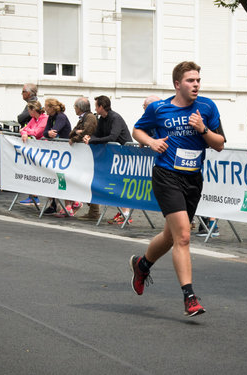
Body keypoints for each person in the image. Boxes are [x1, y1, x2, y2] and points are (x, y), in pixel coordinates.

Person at [130, 61, 225, 317]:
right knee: (183, 236)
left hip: (193, 179)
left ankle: (142, 265)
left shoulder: (206, 107)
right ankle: (189, 297)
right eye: (190, 81)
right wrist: (151, 141)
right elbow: (137, 129)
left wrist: (203, 129)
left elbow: (219, 144)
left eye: (197, 81)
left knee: (171, 236)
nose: (195, 85)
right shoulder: (158, 108)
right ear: (177, 84)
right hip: (166, 175)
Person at [83, 95, 133, 225]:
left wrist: (93, 140)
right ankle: (123, 212)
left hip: (125, 155)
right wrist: (89, 137)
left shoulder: (115, 117)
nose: (95, 108)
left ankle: (126, 213)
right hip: (114, 155)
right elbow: (98, 134)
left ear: (101, 107)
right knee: (115, 183)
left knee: (121, 183)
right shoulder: (102, 118)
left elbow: (113, 136)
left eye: (96, 106)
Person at [41, 98, 75, 216]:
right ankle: (55, 203)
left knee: (63, 177)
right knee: (55, 176)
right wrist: (48, 133)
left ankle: (71, 203)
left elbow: (55, 131)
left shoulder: (61, 117)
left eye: (46, 106)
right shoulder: (51, 117)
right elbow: (46, 132)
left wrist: (50, 133)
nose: (44, 109)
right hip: (57, 150)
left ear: (52, 107)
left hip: (65, 150)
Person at [71, 97, 100, 221]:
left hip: (90, 155)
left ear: (80, 107)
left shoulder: (90, 118)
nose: (74, 109)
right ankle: (92, 210)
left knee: (89, 181)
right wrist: (76, 133)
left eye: (75, 106)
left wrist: (76, 137)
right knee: (85, 181)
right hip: (85, 155)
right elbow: (72, 132)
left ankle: (94, 211)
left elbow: (87, 132)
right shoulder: (84, 117)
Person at [19, 101, 48, 206]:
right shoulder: (34, 119)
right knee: (32, 171)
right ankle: (33, 196)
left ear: (33, 110)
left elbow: (37, 132)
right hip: (36, 149)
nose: (28, 112)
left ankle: (37, 197)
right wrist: (24, 132)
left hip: (44, 149)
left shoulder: (44, 119)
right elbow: (24, 129)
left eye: (29, 110)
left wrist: (26, 131)